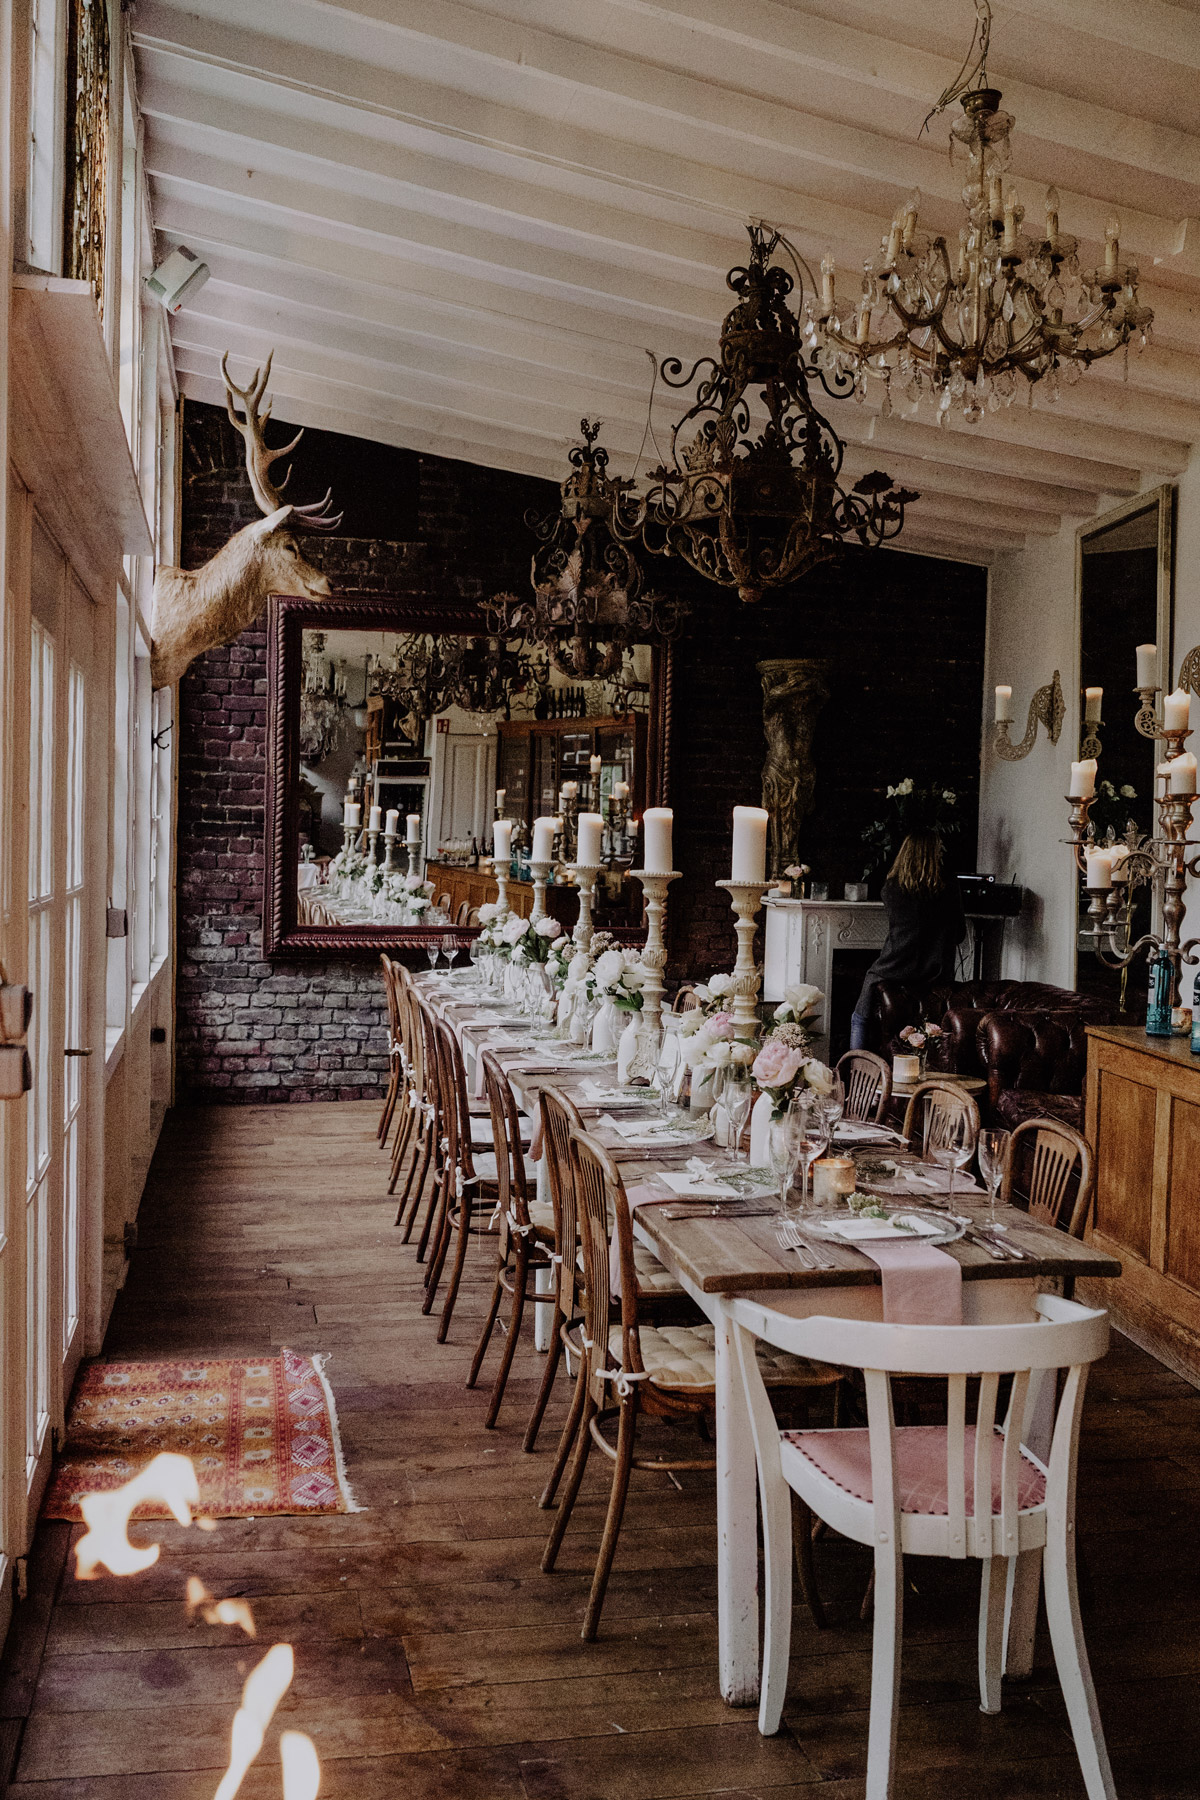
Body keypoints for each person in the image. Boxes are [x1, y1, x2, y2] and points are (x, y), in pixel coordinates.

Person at [849, 830, 965, 1050]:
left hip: (895, 969)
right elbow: (959, 934)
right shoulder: (949, 885)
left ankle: (854, 1070)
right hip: (936, 974)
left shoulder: (892, 887)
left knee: (860, 1017)